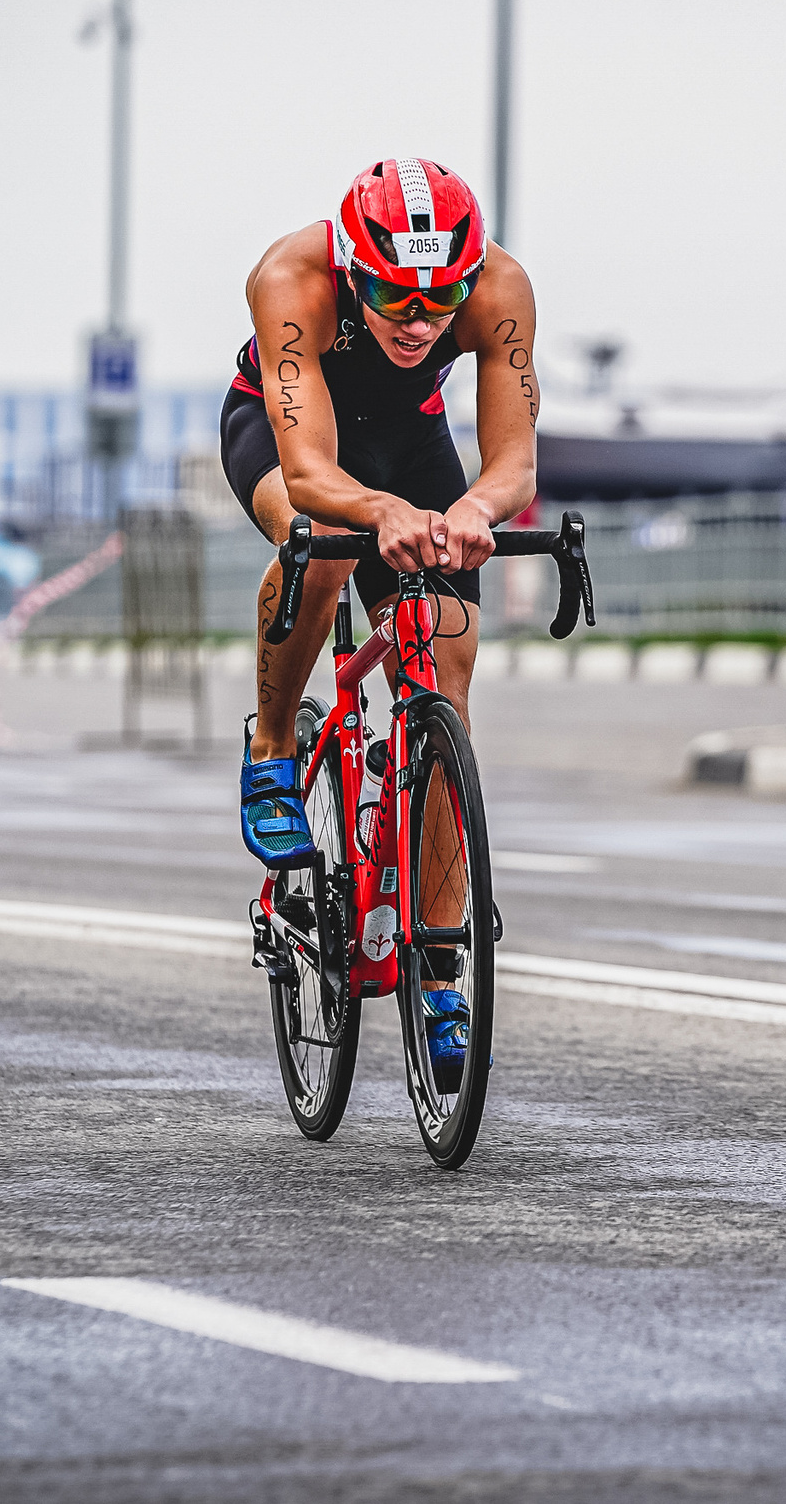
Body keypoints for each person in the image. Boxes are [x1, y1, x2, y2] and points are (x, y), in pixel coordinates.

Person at [219, 158, 539, 1085]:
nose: (418, 320)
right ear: (355, 267)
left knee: (443, 660)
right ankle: (274, 746)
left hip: (412, 440)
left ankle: (440, 970)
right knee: (319, 547)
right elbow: (314, 470)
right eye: (395, 298)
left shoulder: (500, 287)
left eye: (440, 302)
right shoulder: (292, 278)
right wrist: (379, 514)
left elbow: (513, 460)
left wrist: (475, 509)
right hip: (294, 436)